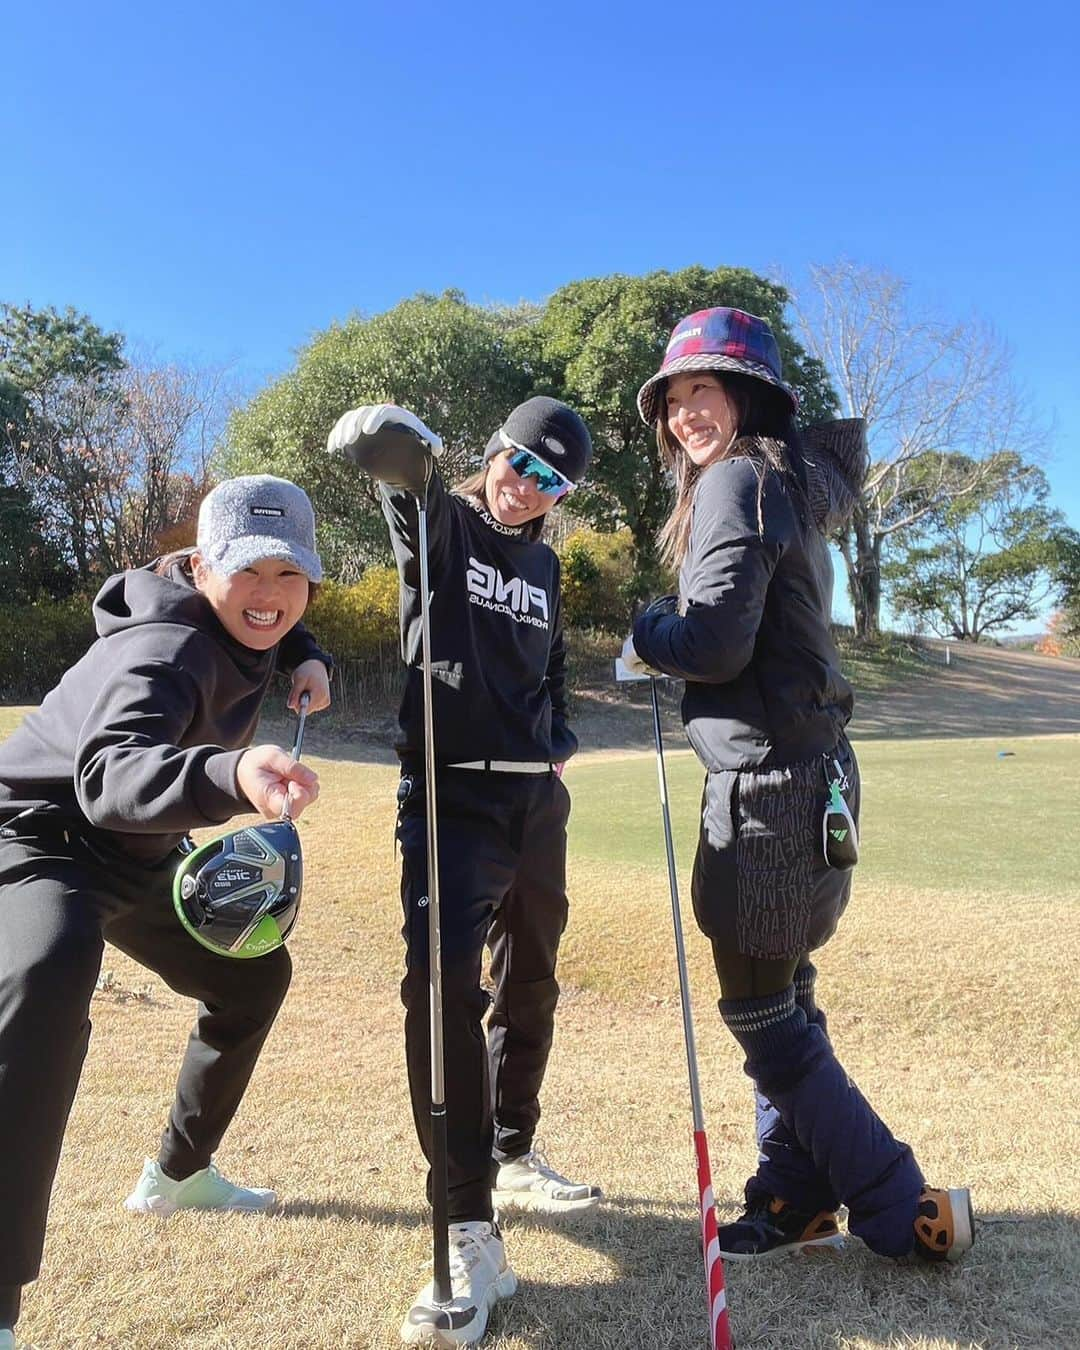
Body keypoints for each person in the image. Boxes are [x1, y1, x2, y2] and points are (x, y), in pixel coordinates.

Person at [622, 307, 974, 1265]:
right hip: (811, 775)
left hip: (769, 787)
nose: (690, 412)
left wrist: (645, 630)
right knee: (788, 992)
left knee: (763, 1013)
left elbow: (713, 641)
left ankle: (903, 1208)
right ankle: (793, 1197)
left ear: (752, 396)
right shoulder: (780, 484)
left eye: (708, 389)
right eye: (677, 396)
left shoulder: (739, 480)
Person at [0, 475, 332, 1348]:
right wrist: (229, 774)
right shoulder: (164, 649)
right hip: (39, 840)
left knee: (253, 974)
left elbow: (284, 621)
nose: (269, 595)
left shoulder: (255, 622)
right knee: (48, 974)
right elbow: (109, 778)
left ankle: (178, 1174)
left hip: (140, 855)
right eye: (248, 572)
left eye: (289, 575)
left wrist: (311, 657)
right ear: (199, 564)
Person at [327, 398, 601, 1346]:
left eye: (551, 480)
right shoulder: (448, 526)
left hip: (537, 803)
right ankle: (467, 1225)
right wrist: (392, 450)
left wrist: (559, 740)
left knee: (531, 982)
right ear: (493, 451)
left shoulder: (549, 563)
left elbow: (554, 661)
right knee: (442, 994)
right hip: (453, 803)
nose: (527, 487)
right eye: (520, 463)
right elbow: (408, 493)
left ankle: (514, 1146)